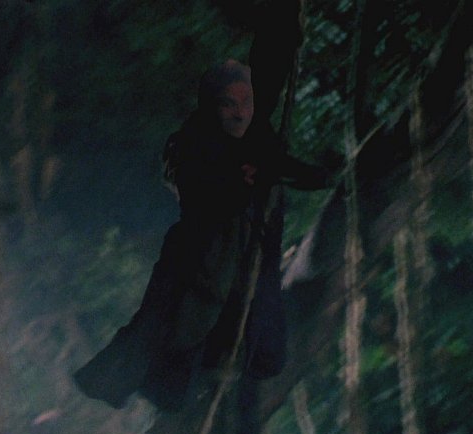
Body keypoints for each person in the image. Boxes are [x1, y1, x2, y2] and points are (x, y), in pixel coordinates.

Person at [73, 59, 332, 411]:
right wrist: (236, 181)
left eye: (246, 103)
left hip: (245, 264)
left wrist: (320, 174)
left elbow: (286, 168)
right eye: (229, 104)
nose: (239, 113)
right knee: (171, 342)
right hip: (201, 260)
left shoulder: (257, 142)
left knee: (263, 352)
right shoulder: (192, 143)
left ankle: (206, 379)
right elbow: (192, 184)